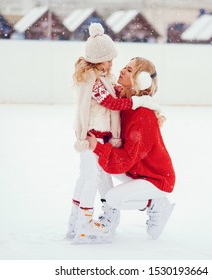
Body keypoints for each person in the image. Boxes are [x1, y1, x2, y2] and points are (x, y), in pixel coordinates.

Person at [67, 24, 160, 244]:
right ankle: (83, 224)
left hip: (99, 137)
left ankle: (77, 222)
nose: (112, 64)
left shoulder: (100, 77)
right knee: (91, 178)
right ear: (98, 59)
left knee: (90, 178)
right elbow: (111, 102)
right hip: (94, 138)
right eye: (109, 60)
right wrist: (137, 101)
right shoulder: (94, 80)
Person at [86, 57, 176, 240]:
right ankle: (110, 214)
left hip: (155, 178)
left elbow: (126, 159)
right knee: (97, 162)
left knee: (114, 198)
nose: (121, 71)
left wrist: (97, 146)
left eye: (128, 70)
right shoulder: (126, 99)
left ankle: (155, 203)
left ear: (140, 79)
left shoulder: (143, 115)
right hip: (137, 170)